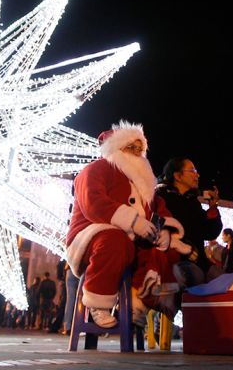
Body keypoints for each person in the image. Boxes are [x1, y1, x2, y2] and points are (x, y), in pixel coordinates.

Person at [64, 122, 186, 328]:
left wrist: (165, 230)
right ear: (116, 148)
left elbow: (159, 208)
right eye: (132, 147)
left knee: (165, 253)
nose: (138, 153)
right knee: (114, 241)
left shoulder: (144, 184)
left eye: (141, 148)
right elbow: (93, 203)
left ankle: (138, 304)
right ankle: (98, 304)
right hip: (93, 235)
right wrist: (133, 221)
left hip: (133, 241)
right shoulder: (96, 169)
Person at [155, 157, 222, 289]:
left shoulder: (192, 201)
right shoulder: (161, 198)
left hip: (199, 261)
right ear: (177, 176)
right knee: (195, 276)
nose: (197, 175)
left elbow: (209, 232)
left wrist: (213, 208)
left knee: (223, 277)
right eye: (192, 170)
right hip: (174, 261)